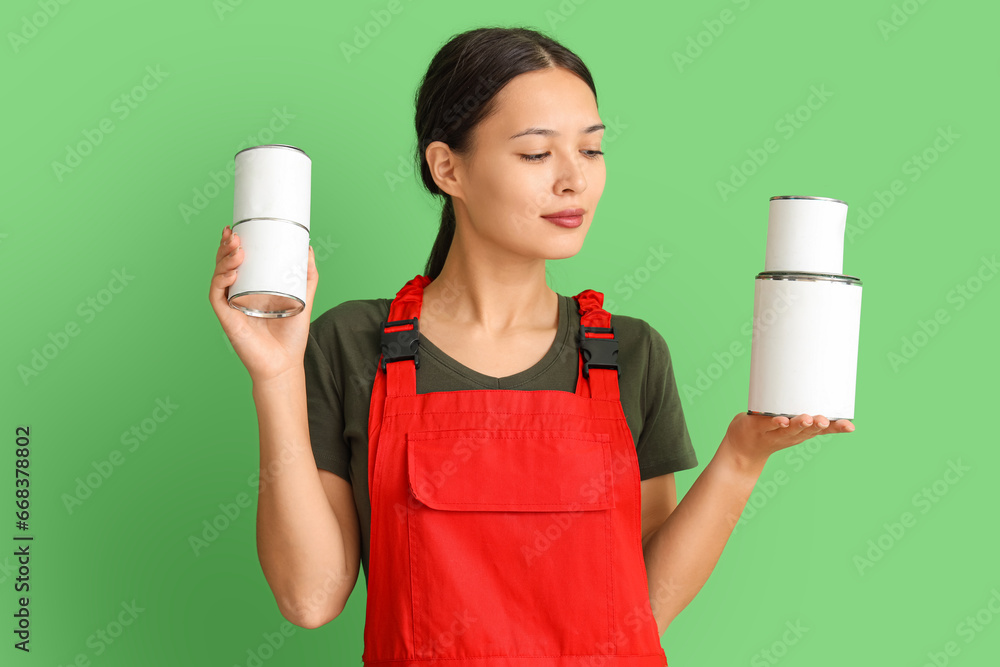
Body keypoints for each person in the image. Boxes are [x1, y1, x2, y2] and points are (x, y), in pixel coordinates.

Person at [209, 26, 855, 666]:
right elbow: (310, 597)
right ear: (447, 167)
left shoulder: (630, 352)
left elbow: (639, 609)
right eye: (536, 154)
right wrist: (274, 374)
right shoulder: (353, 343)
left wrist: (743, 458)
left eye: (592, 150)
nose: (574, 180)